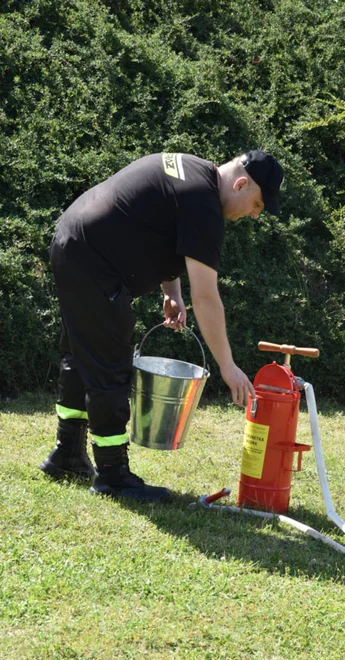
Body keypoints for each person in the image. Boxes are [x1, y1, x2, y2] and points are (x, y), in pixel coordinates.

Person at [40, 149, 284, 502]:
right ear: (242, 184)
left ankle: (67, 453)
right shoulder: (204, 205)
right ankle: (113, 476)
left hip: (74, 242)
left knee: (83, 354)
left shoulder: (193, 170)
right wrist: (227, 367)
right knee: (109, 364)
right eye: (258, 204)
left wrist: (171, 293)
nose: (256, 215)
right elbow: (207, 297)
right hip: (92, 261)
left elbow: (160, 231)